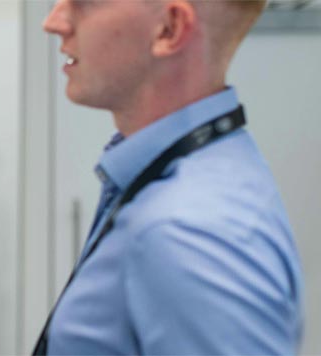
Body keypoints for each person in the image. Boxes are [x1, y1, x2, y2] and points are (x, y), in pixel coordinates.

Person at [35, 0, 304, 354]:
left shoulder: (191, 233)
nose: (53, 22)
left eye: (83, 3)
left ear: (169, 28)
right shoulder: (197, 170)